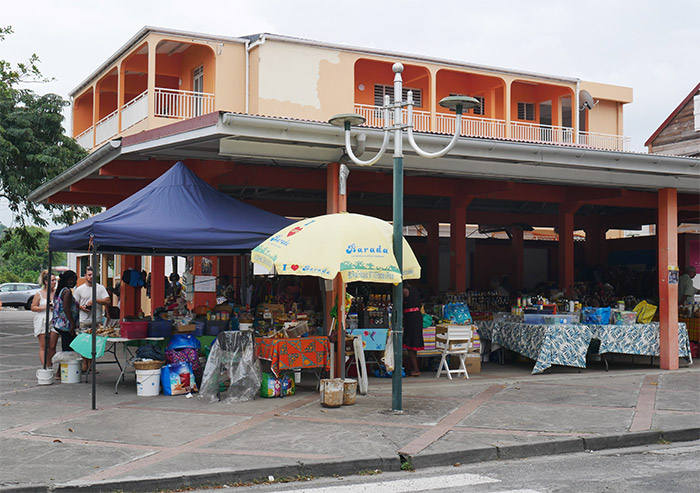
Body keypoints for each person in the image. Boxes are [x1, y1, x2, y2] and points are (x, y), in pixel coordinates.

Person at [74, 266, 110, 372]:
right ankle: (85, 363)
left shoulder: (100, 288)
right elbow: (75, 304)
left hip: (97, 320)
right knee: (84, 344)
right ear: (85, 275)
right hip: (84, 320)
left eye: (93, 275)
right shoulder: (79, 289)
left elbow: (107, 301)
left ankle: (92, 365)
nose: (91, 277)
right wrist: (82, 307)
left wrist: (95, 300)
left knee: (95, 344)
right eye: (89, 275)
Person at [31, 270, 58, 366]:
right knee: (43, 346)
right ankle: (45, 367)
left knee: (52, 345)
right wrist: (45, 307)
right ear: (46, 282)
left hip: (54, 320)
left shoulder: (57, 293)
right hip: (42, 320)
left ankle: (50, 364)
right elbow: (33, 307)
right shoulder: (39, 294)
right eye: (52, 280)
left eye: (55, 280)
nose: (54, 282)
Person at [52, 270, 79, 353]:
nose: (75, 282)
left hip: (59, 323)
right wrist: (72, 323)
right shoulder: (67, 292)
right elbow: (66, 308)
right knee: (68, 350)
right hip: (66, 325)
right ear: (69, 280)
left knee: (66, 348)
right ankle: (66, 365)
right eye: (74, 280)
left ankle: (63, 365)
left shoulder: (60, 291)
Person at [402, 283, 424, 377]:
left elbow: (399, 304)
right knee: (413, 344)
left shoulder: (404, 291)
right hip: (417, 317)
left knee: (410, 344)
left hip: (411, 318)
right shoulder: (415, 290)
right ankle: (414, 368)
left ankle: (416, 369)